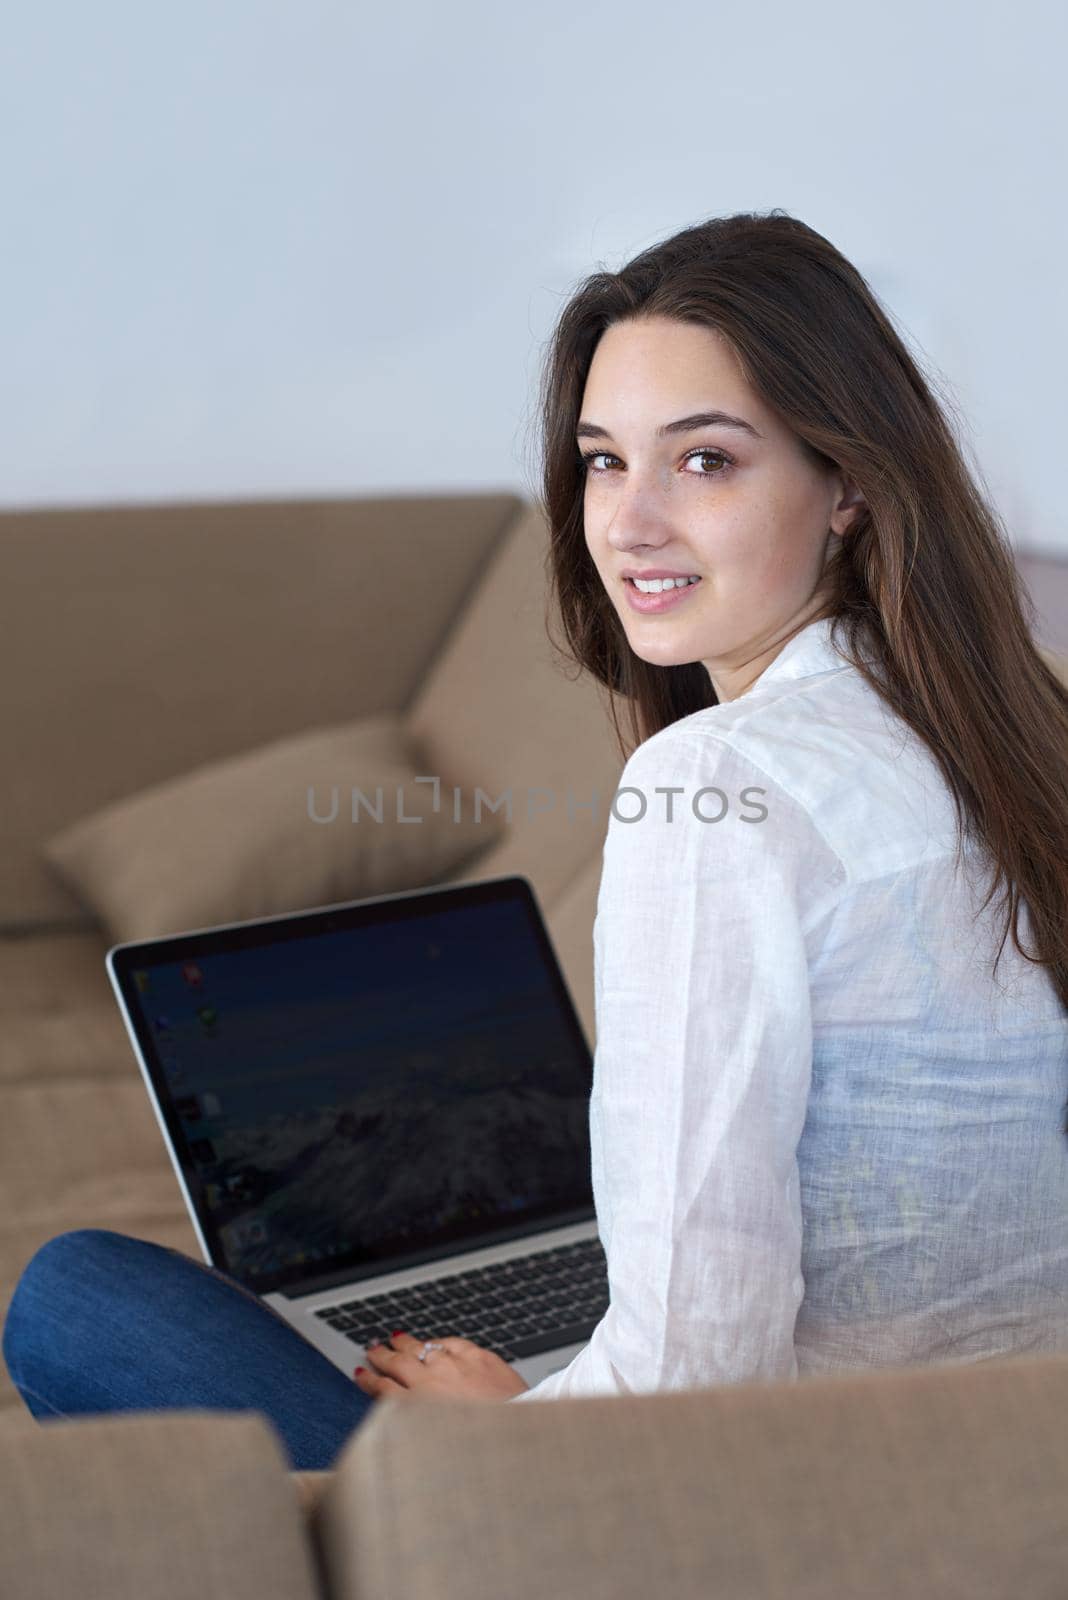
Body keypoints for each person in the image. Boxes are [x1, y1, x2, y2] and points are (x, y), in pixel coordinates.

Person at [5, 209, 1067, 1469]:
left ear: (846, 485)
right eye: (605, 461)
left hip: (754, 1497)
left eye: (707, 461)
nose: (626, 523)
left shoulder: (717, 789)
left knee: (76, 1298)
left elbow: (693, 1375)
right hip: (994, 1457)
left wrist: (505, 1429)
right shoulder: (1002, 726)